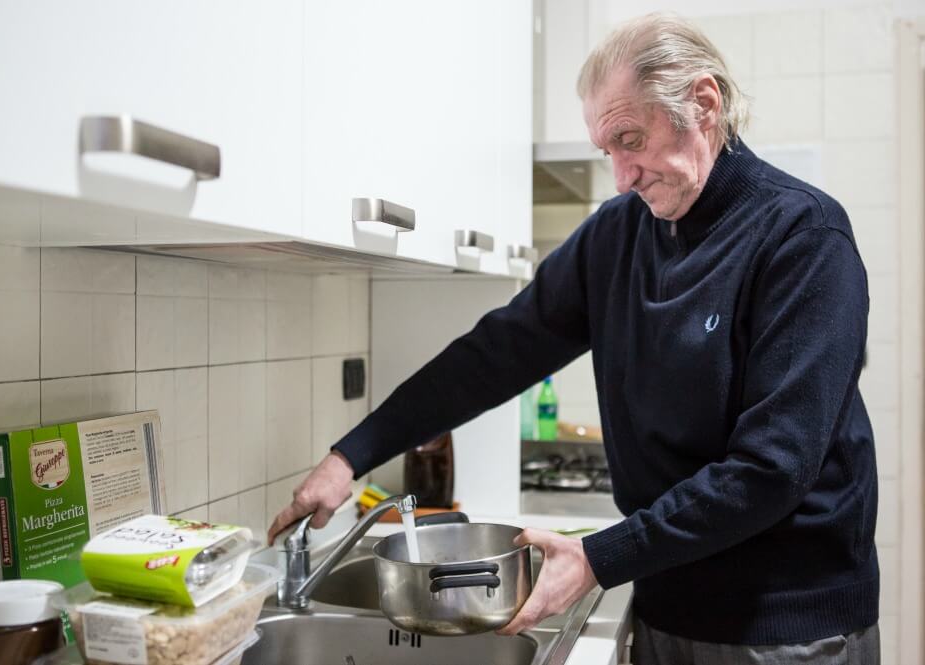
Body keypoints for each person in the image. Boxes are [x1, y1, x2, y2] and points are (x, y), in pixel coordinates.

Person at [268, 12, 880, 664]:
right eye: (606, 150)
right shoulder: (615, 236)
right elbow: (494, 354)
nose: (621, 176)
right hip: (664, 602)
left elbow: (773, 468)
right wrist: (351, 454)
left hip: (786, 628)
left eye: (630, 138)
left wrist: (599, 556)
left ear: (704, 104)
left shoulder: (803, 236)